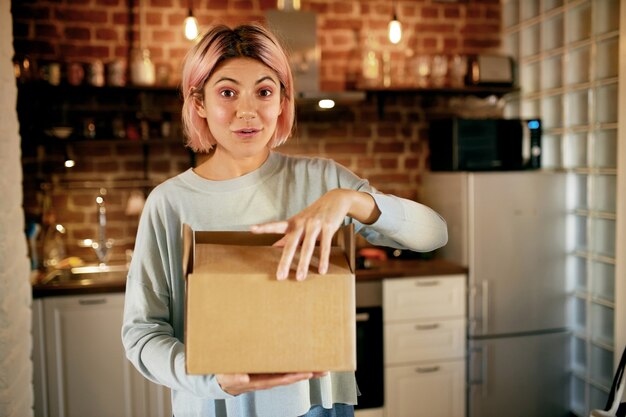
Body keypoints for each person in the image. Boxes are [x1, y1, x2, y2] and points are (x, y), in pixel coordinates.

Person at [121, 23, 448, 417]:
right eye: (227, 92)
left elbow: (434, 234)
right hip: (217, 405)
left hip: (318, 406)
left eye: (264, 92)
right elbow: (142, 334)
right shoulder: (169, 203)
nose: (248, 112)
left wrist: (351, 201)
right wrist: (211, 378)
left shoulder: (324, 181)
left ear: (281, 101)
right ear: (200, 102)